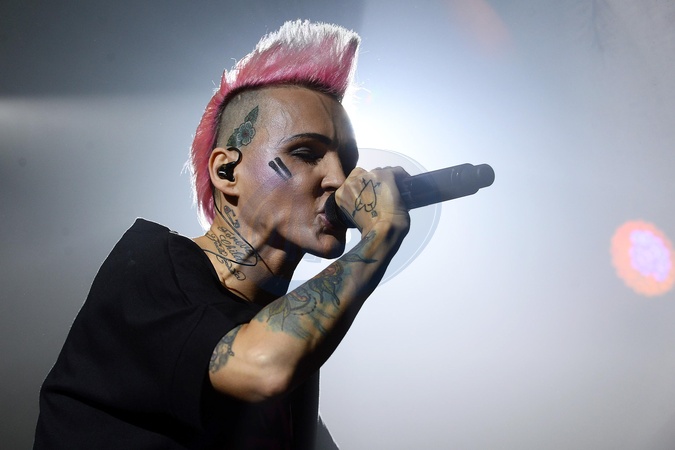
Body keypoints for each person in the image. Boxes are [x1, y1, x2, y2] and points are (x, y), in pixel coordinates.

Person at [34, 20, 410, 449]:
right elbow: (262, 366)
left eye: (347, 161)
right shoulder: (151, 263)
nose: (340, 179)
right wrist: (379, 236)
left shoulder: (290, 335)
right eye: (305, 153)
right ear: (227, 171)